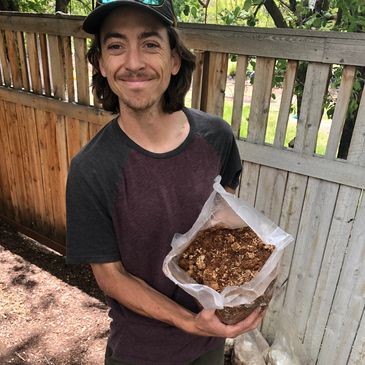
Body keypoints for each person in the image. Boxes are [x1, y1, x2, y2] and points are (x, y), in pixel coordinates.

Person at [66, 1, 266, 364]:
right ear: (100, 64)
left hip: (209, 343)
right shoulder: (91, 170)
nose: (133, 62)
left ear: (174, 60)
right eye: (115, 46)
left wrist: (244, 292)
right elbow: (111, 277)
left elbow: (222, 225)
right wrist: (190, 322)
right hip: (142, 352)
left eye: (150, 43)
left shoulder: (216, 137)